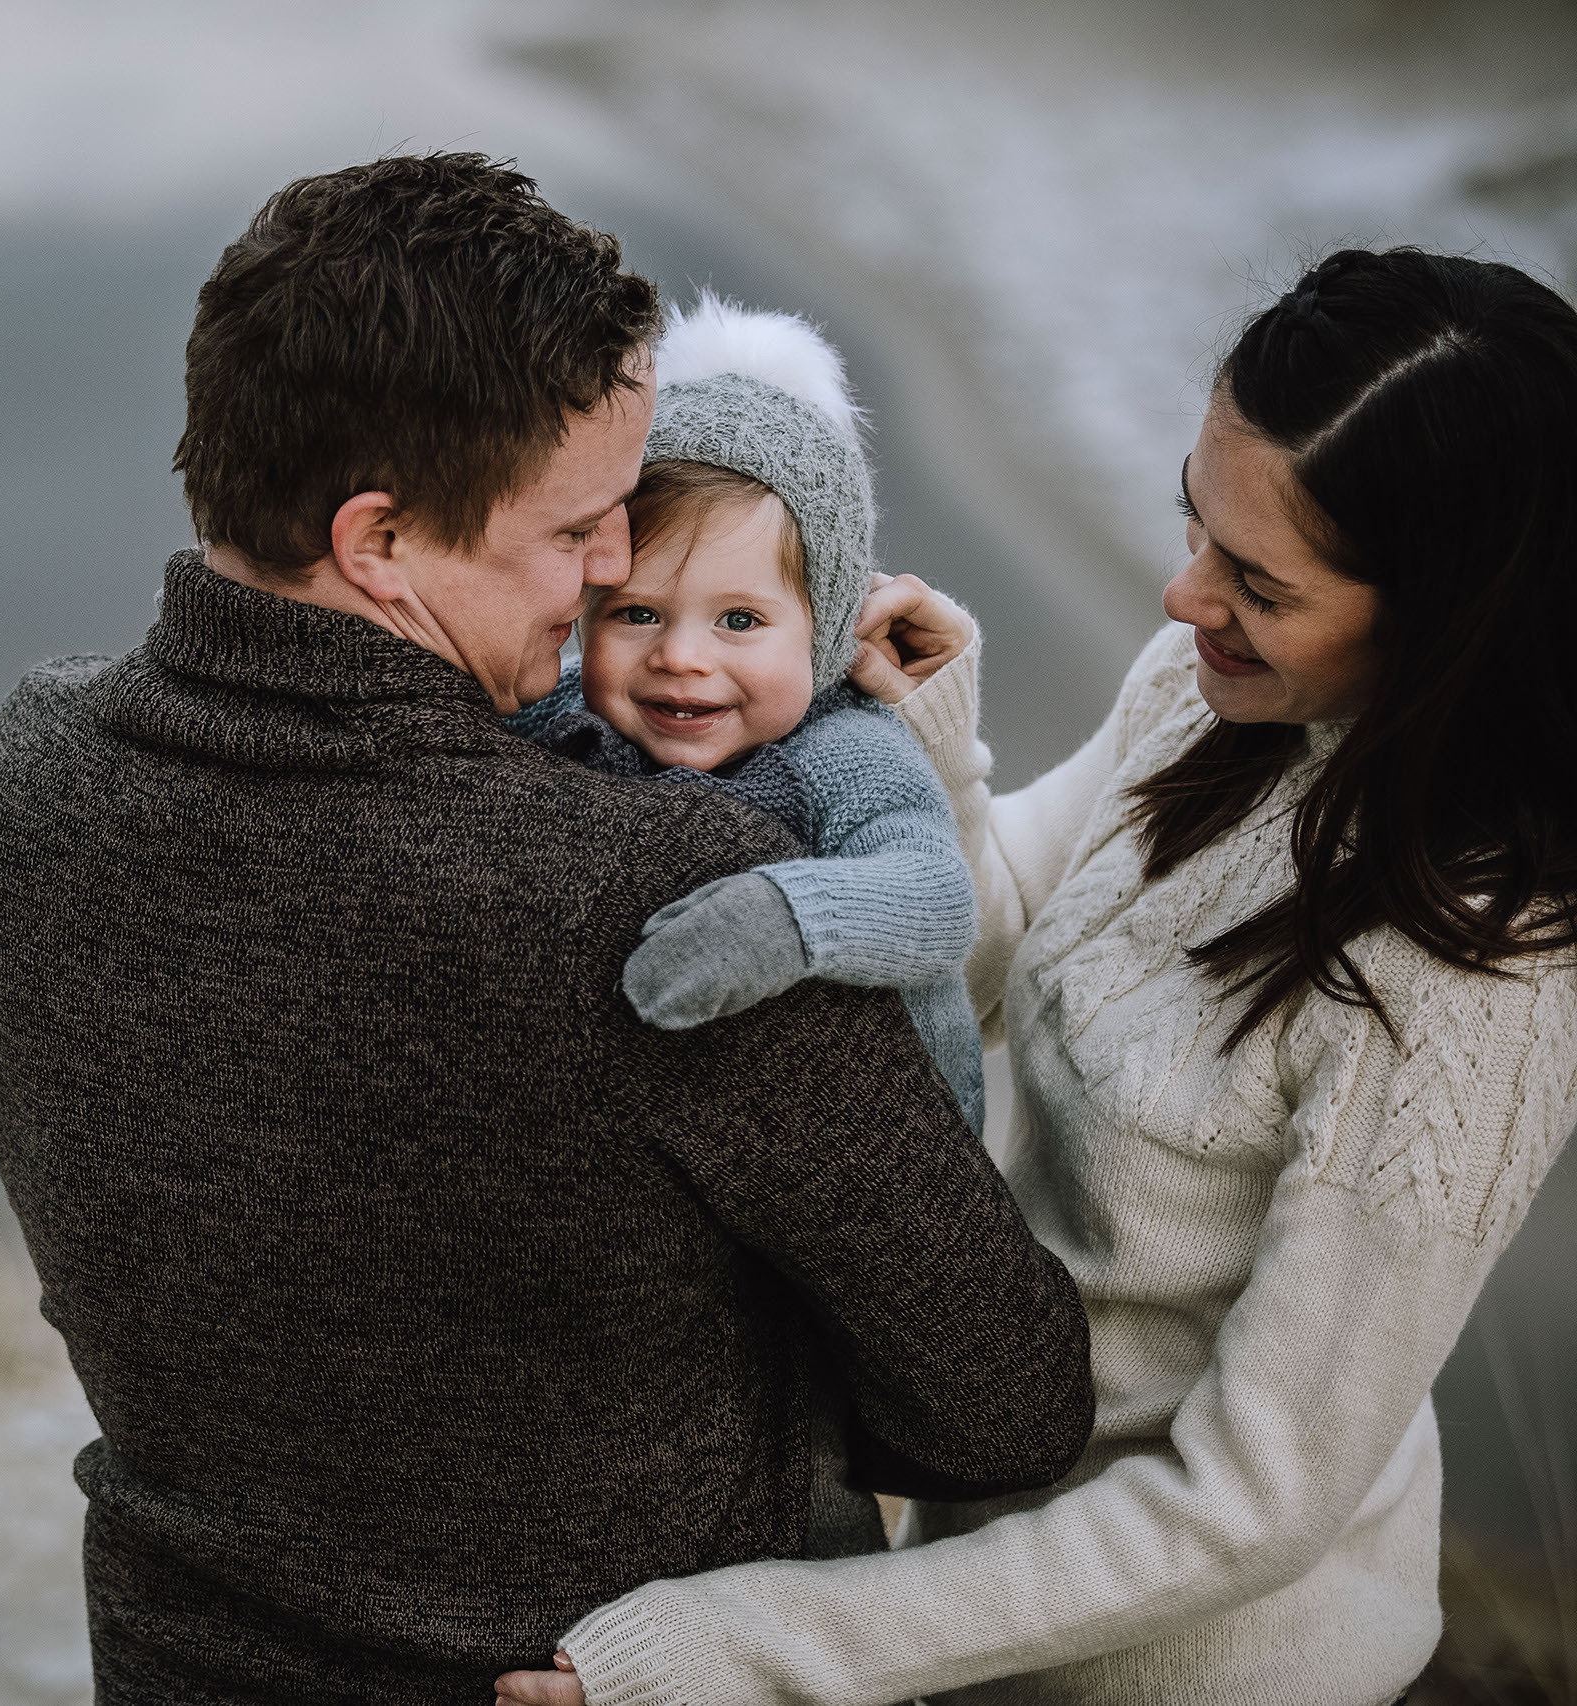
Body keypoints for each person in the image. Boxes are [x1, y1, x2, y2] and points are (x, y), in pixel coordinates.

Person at [0, 153, 1094, 1706]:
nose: (621, 569)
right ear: (380, 542)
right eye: (579, 531)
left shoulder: (19, 778)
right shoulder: (667, 895)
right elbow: (1000, 1405)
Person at [498, 247, 1577, 1706]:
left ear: (1449, 619)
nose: (1182, 590)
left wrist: (748, 1642)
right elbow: (986, 967)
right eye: (1193, 521)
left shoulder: (1473, 986)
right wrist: (928, 740)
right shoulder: (1213, 693)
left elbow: (1249, 1508)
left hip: (1195, 1668)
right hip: (977, 1536)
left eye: (1258, 579)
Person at [508, 291, 984, 1132]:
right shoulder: (573, 705)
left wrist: (783, 919)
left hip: (883, 1144)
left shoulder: (843, 751)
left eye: (740, 621)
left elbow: (938, 898)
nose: (682, 657)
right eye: (637, 613)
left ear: (827, 631)